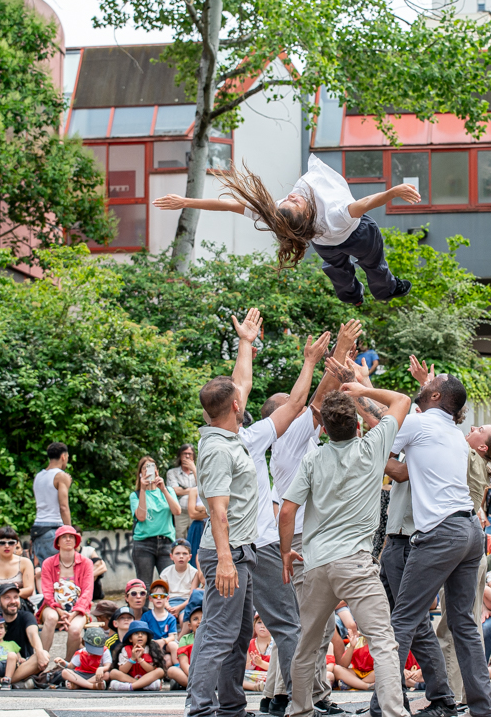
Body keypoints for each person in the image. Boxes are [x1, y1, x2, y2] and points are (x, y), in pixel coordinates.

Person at [281, 379, 412, 717]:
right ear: (356, 425)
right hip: (355, 562)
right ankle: (395, 713)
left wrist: (285, 552)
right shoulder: (372, 448)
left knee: (307, 646)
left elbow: (287, 510)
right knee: (383, 642)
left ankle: (299, 711)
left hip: (316, 563)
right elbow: (401, 399)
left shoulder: (312, 460)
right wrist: (362, 392)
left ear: (323, 428)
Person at [368, 371, 491, 717]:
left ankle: (383, 707)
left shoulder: (416, 425)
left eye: (429, 385)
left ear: (436, 397)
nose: (423, 386)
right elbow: (402, 466)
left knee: (403, 620)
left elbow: (376, 448)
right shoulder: (453, 432)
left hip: (439, 534)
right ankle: (484, 709)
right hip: (470, 532)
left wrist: (361, 389)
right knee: (464, 625)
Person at [156, 155, 415, 305]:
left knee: (336, 268)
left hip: (324, 244)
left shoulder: (277, 214)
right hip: (358, 237)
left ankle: (352, 297)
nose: (291, 196)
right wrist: (393, 192)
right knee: (374, 265)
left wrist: (186, 202)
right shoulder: (335, 213)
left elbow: (228, 205)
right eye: (295, 202)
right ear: (308, 213)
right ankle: (385, 291)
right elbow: (365, 203)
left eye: (289, 200)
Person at [245, 322, 339, 717]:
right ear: (283, 417)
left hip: (305, 537)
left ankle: (277, 694)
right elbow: (315, 400)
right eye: (290, 407)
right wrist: (339, 353)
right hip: (301, 540)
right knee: (310, 627)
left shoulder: (300, 440)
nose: (297, 408)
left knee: (302, 624)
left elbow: (315, 405)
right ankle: (309, 696)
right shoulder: (288, 439)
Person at [185, 309, 266, 717]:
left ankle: (232, 706)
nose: (244, 395)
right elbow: (216, 512)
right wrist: (225, 560)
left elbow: (243, 380)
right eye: (240, 396)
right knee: (217, 631)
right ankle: (199, 709)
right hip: (228, 551)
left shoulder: (227, 430)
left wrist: (246, 341)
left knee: (238, 634)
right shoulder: (217, 449)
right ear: (235, 407)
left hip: (243, 550)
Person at [38, 525, 93, 658]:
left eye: (71, 537)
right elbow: (47, 592)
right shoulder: (48, 563)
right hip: (53, 606)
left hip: (78, 608)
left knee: (74, 630)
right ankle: (40, 661)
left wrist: (73, 613)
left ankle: (67, 665)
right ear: (57, 542)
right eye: (64, 537)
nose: (68, 540)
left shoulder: (86, 563)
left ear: (76, 541)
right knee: (51, 618)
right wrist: (60, 611)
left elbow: (87, 592)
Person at [130, 455, 181, 582]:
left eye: (151, 468)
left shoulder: (167, 491)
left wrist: (163, 489)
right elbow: (141, 517)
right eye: (145, 468)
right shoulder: (135, 495)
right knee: (145, 585)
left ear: (156, 471)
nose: (148, 471)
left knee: (168, 584)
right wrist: (143, 489)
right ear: (140, 473)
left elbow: (177, 511)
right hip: (144, 543)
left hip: (166, 543)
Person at [32, 442, 73, 571]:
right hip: (53, 529)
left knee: (47, 573)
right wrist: (70, 532)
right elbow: (63, 507)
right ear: (63, 457)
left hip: (38, 530)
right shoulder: (61, 476)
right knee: (62, 573)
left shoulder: (38, 476)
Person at [0, 526, 36, 610]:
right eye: (2, 543)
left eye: (11, 543)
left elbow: (29, 589)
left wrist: (6, 594)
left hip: (18, 605)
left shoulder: (25, 562)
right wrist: (11, 591)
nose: (7, 546)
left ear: (16, 544)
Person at [161, 540, 203, 618]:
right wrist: (168, 607)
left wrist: (178, 608)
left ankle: (183, 631)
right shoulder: (165, 573)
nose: (181, 556)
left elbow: (192, 595)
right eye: (177, 553)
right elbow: (163, 594)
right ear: (171, 556)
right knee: (164, 616)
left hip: (186, 602)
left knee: (183, 617)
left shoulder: (194, 573)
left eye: (184, 554)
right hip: (169, 602)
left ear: (190, 557)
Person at [167, 444, 199, 542]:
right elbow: (175, 491)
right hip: (181, 513)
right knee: (180, 540)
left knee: (196, 539)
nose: (187, 456)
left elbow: (203, 488)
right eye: (185, 454)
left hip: (197, 512)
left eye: (190, 454)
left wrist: (194, 469)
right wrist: (194, 490)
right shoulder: (172, 473)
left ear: (194, 456)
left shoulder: (199, 472)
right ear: (180, 456)